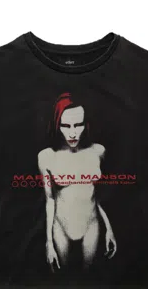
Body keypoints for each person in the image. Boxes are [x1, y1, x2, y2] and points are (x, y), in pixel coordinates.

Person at [37, 92, 117, 273]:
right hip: (60, 228)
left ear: (85, 124)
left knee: (91, 276)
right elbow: (50, 200)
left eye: (78, 125)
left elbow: (96, 196)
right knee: (60, 278)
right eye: (66, 126)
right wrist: (49, 242)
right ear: (57, 125)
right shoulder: (47, 157)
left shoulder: (98, 152)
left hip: (91, 225)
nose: (73, 133)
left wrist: (109, 229)